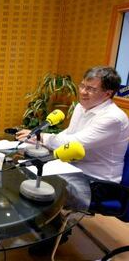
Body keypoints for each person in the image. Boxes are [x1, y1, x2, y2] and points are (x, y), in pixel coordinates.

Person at [16, 66, 129, 209]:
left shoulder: (113, 118)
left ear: (107, 94)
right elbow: (69, 133)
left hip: (98, 181)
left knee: (42, 191)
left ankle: (46, 227)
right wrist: (37, 138)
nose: (83, 92)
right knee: (27, 172)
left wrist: (42, 137)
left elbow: (75, 143)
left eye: (91, 89)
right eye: (82, 85)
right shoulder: (81, 107)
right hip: (74, 168)